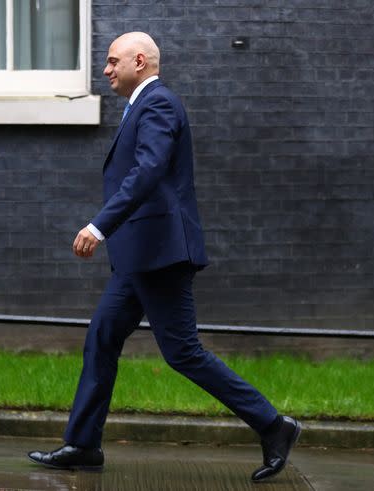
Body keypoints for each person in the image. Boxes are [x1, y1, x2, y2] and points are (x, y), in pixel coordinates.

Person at [27, 32, 301, 482]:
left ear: (140, 61)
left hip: (160, 255)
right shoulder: (142, 106)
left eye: (113, 61)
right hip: (138, 257)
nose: (106, 70)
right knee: (102, 337)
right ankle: (83, 444)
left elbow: (148, 171)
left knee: (183, 353)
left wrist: (99, 226)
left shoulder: (158, 103)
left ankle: (274, 426)